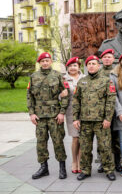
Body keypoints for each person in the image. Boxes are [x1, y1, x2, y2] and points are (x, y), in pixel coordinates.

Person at [72, 55, 116, 181]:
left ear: (98, 65)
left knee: (105, 147)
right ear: (86, 66)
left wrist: (108, 118)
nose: (91, 66)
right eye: (89, 64)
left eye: (94, 63)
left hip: (101, 121)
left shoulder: (106, 80)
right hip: (85, 121)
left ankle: (109, 170)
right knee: (85, 147)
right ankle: (85, 170)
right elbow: (76, 100)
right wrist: (75, 118)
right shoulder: (82, 81)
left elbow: (111, 101)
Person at [27, 52, 69, 180]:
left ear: (51, 62)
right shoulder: (33, 76)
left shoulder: (57, 76)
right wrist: (31, 113)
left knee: (58, 142)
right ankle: (43, 168)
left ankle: (62, 168)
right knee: (41, 143)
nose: (45, 63)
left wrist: (62, 112)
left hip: (54, 115)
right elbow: (29, 96)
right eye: (42, 61)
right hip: (39, 116)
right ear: (39, 63)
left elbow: (65, 95)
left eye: (47, 60)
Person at [97, 49, 122, 173]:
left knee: (116, 138)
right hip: (101, 111)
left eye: (109, 57)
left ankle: (117, 163)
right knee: (102, 138)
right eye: (105, 57)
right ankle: (103, 162)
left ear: (113, 59)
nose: (107, 59)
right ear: (102, 59)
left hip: (116, 111)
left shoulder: (119, 72)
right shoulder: (97, 73)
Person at [63, 57, 85, 174]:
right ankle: (74, 161)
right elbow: (58, 95)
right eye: (71, 66)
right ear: (68, 67)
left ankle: (81, 161)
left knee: (82, 138)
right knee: (75, 138)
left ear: (79, 67)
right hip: (71, 112)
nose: (73, 68)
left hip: (84, 111)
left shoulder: (85, 78)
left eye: (75, 65)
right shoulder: (64, 79)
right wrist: (61, 95)